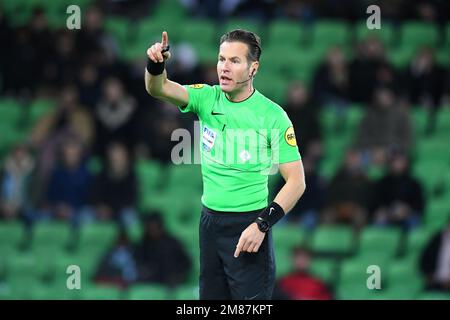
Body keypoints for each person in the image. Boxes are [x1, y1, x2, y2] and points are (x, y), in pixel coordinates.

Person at [145, 29, 306, 300]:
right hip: (210, 224)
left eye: (234, 61)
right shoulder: (207, 98)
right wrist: (155, 64)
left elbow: (297, 181)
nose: (224, 68)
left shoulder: (273, 116)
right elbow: (157, 88)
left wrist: (261, 225)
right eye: (221, 59)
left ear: (253, 68)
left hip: (249, 225)